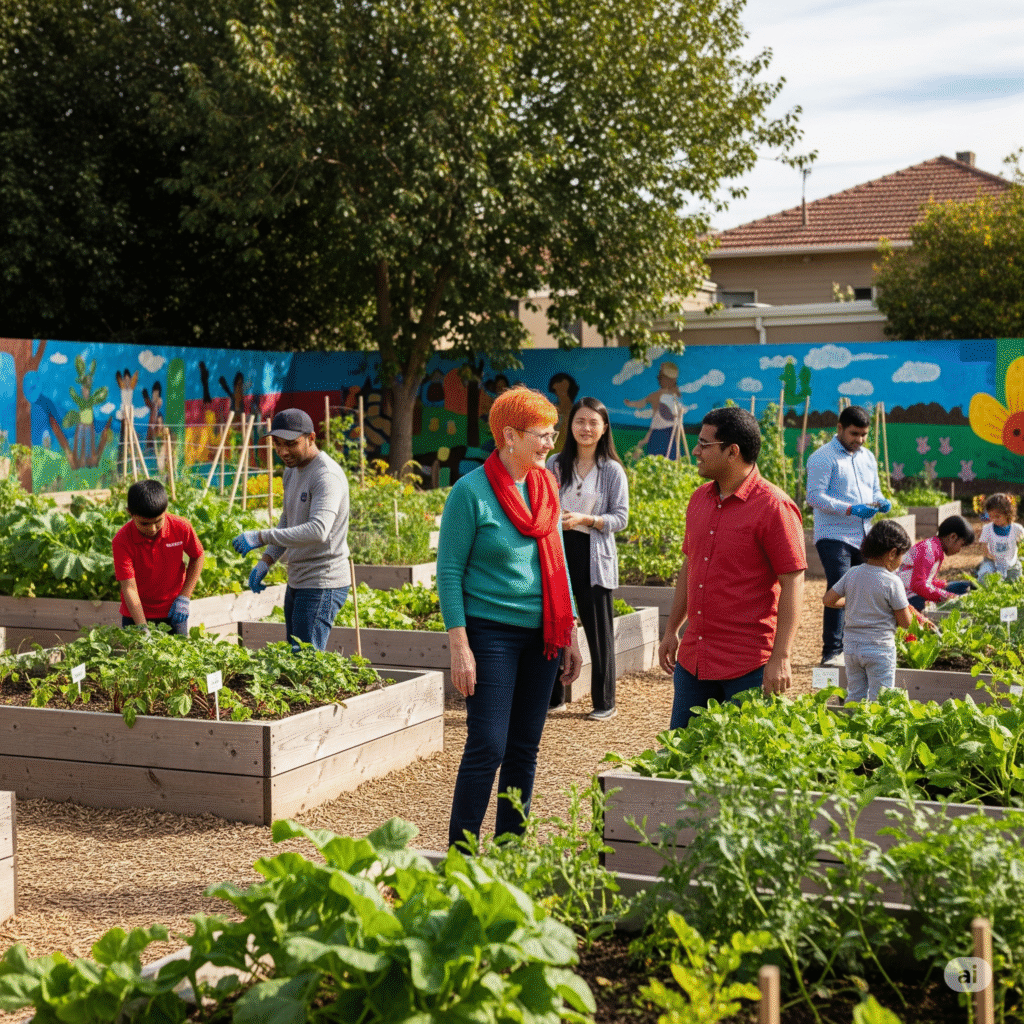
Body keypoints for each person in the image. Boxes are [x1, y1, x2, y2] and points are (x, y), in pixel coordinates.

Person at [438, 386, 583, 847]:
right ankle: (461, 855)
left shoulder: (546, 487)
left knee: (524, 748)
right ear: (509, 436)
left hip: (543, 635)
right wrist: (460, 647)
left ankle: (510, 850)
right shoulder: (470, 492)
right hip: (491, 635)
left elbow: (557, 558)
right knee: (488, 746)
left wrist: (571, 634)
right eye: (542, 435)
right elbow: (448, 572)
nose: (550, 443)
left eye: (552, 433)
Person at [658, 407, 806, 731]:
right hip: (694, 660)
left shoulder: (775, 507)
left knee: (743, 768)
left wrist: (781, 656)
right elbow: (690, 566)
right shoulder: (699, 499)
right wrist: (672, 630)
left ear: (731, 452)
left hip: (749, 665)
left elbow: (794, 582)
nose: (696, 451)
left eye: (704, 444)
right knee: (683, 760)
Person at [232, 408, 351, 651]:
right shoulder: (291, 471)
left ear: (311, 438)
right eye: (277, 444)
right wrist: (267, 560)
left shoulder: (325, 476)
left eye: (291, 444)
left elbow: (318, 530)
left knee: (305, 659)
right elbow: (288, 521)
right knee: (295, 656)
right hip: (298, 579)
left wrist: (260, 536)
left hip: (322, 581)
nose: (283, 451)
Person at [547, 397, 630, 720]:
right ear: (570, 425)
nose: (586, 428)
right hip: (558, 553)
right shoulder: (555, 464)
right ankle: (555, 697)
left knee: (599, 632)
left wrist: (584, 519)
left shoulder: (611, 470)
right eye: (580, 421)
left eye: (593, 423)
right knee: (554, 626)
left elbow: (620, 519)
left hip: (594, 557)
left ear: (604, 428)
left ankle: (604, 702)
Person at [805, 405, 891, 668]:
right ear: (839, 428)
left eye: (864, 435)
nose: (860, 440)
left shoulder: (868, 457)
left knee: (863, 588)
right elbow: (814, 496)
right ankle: (832, 652)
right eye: (854, 434)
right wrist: (850, 509)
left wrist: (880, 501)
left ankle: (856, 648)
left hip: (864, 534)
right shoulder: (823, 457)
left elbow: (874, 490)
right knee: (839, 586)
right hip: (833, 535)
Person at [822, 520, 920, 703]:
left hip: (851, 648)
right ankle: (875, 731)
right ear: (892, 553)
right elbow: (906, 623)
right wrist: (911, 613)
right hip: (879, 649)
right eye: (902, 555)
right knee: (880, 700)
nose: (902, 561)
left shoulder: (853, 573)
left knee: (855, 695)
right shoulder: (892, 582)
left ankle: (852, 728)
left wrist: (852, 603)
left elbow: (828, 600)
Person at [112, 479, 204, 635]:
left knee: (180, 657)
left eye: (158, 521)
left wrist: (185, 597)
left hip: (173, 612)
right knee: (138, 656)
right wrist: (142, 627)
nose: (152, 529)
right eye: (144, 524)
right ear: (130, 513)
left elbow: (198, 556)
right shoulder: (122, 540)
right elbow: (129, 588)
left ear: (166, 510)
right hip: (135, 615)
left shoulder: (181, 527)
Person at [897, 515, 976, 611]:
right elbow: (918, 585)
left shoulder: (935, 548)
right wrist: (945, 596)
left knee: (965, 586)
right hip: (908, 597)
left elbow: (926, 580)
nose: (960, 550)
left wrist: (942, 585)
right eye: (961, 545)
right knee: (939, 607)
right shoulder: (929, 550)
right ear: (953, 537)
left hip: (916, 591)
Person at [624, 361, 682, 457]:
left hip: (666, 429)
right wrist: (630, 404)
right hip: (660, 429)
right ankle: (638, 450)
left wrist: (631, 404)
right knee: (659, 453)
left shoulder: (670, 395)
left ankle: (638, 450)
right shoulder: (659, 395)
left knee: (666, 454)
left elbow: (641, 403)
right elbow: (641, 403)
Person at [977, 493, 1024, 583]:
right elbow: (984, 547)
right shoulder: (987, 529)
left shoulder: (1017, 529)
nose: (994, 520)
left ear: (1007, 513)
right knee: (984, 577)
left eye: (997, 517)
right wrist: (989, 555)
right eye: (991, 516)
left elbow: (1021, 543)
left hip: (1011, 563)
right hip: (992, 562)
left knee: (1016, 581)